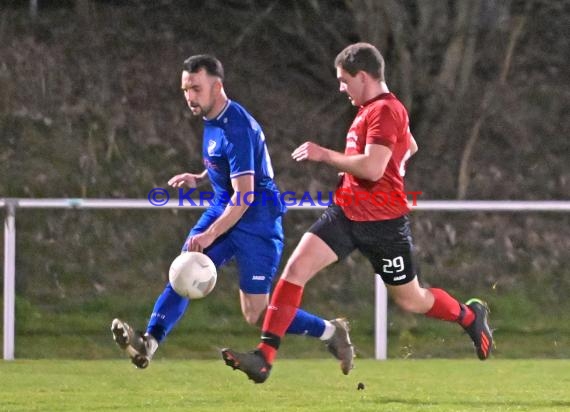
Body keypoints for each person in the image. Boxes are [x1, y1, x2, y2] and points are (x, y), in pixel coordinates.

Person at [221, 43, 493, 384]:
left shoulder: (385, 111)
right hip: (346, 214)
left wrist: (325, 155)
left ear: (363, 76)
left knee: (412, 300)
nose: (340, 87)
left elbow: (374, 169)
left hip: (383, 225)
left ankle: (469, 316)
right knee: (295, 271)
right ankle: (265, 357)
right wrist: (395, 161)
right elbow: (409, 146)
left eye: (344, 80)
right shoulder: (372, 110)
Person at [110, 55, 354, 370]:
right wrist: (199, 178)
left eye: (196, 88)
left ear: (218, 86)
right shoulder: (214, 118)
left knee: (257, 314)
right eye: (185, 89)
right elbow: (226, 159)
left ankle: (332, 331)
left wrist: (211, 233)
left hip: (256, 219)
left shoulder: (237, 125)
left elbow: (245, 195)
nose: (189, 96)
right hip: (225, 207)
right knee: (185, 266)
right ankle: (149, 341)